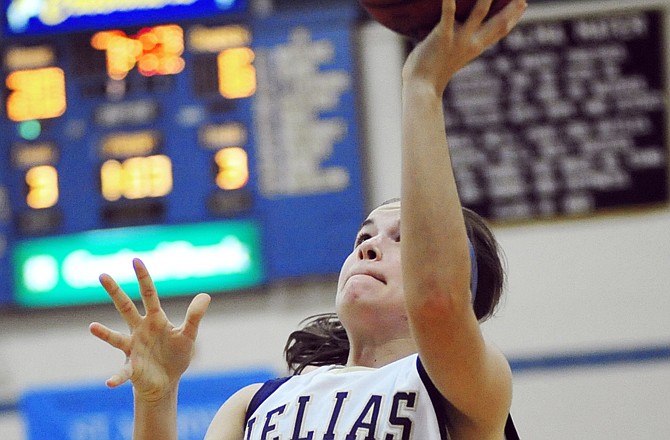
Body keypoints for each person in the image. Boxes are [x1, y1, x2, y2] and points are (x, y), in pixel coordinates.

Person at [88, 0, 528, 438]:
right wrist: (157, 397)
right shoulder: (254, 403)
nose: (367, 247)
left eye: (404, 240)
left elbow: (437, 302)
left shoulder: (466, 390)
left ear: (461, 283)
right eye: (364, 235)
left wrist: (422, 85)